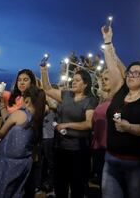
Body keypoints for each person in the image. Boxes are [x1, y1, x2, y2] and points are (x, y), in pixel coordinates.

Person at [101, 25, 140, 198]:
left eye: (137, 74)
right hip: (112, 160)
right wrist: (108, 41)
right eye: (129, 72)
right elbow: (112, 65)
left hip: (139, 163)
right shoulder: (119, 91)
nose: (131, 75)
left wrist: (130, 128)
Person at [41, 65, 98, 198]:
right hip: (60, 147)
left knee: (77, 185)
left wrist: (66, 125)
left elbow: (89, 123)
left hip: (79, 150)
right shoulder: (66, 95)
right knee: (60, 184)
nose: (73, 81)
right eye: (73, 79)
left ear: (85, 84)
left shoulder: (90, 100)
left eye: (78, 80)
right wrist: (44, 71)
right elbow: (48, 89)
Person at [0, 84, 46, 198]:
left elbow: (1, 133)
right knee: (15, 192)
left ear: (27, 99)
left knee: (1, 191)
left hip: (7, 162)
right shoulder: (38, 116)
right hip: (23, 162)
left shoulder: (19, 113)